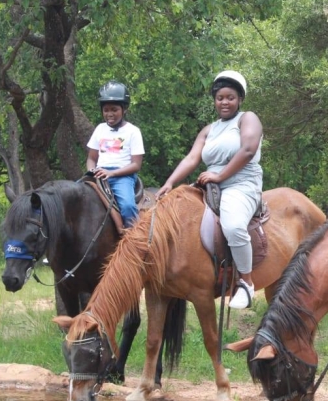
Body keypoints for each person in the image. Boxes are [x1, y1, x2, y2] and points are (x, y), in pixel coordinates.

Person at [156, 70, 263, 310]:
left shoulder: (248, 119)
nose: (225, 102)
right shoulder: (209, 129)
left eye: (231, 97)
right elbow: (192, 158)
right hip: (211, 184)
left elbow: (247, 150)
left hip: (241, 183)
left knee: (234, 225)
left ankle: (246, 282)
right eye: (220, 98)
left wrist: (220, 175)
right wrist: (170, 183)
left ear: (240, 99)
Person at [86, 80, 145, 228]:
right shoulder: (100, 129)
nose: (109, 114)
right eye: (106, 110)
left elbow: (136, 165)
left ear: (124, 109)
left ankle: (134, 240)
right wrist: (92, 171)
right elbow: (91, 158)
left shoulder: (133, 131)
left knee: (127, 206)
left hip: (122, 176)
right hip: (99, 174)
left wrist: (112, 174)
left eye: (114, 109)